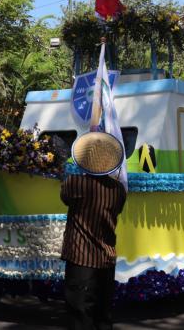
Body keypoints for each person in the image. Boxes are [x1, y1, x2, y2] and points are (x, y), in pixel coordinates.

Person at [61, 132, 127, 330]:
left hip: (80, 258)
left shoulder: (75, 183)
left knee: (80, 312)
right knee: (103, 313)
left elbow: (65, 198)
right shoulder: (118, 190)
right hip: (106, 256)